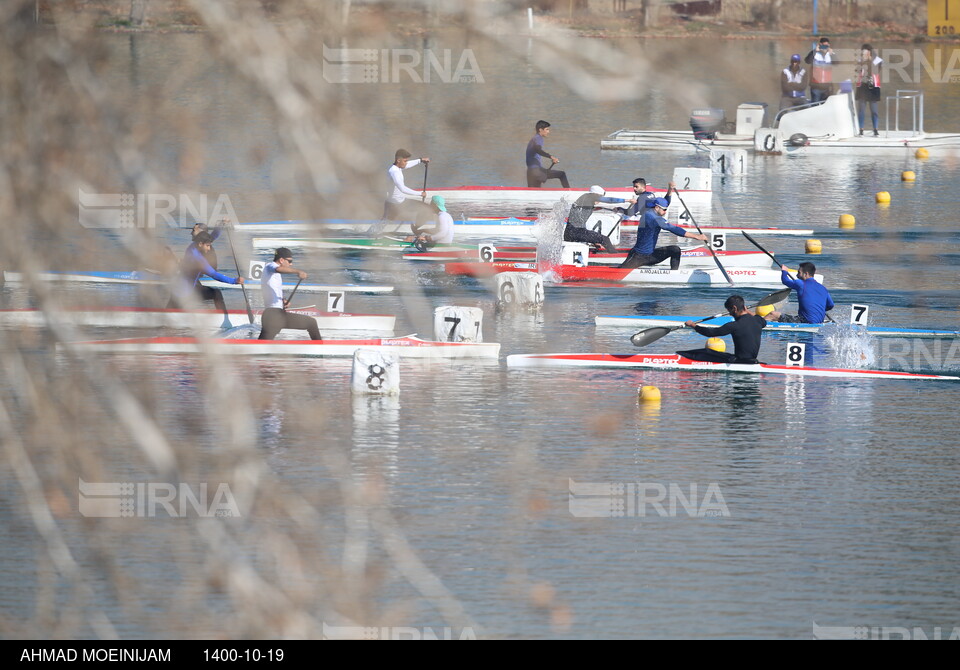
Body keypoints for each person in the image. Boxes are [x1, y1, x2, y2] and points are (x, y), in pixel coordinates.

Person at [167, 231, 244, 321]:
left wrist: (221, 225)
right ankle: (225, 320)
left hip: (178, 289)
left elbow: (211, 237)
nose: (209, 248)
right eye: (207, 246)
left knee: (166, 313)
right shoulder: (198, 260)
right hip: (185, 295)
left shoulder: (192, 247)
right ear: (200, 244)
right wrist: (234, 281)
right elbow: (214, 274)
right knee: (216, 293)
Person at [619, 198, 707, 270]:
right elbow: (672, 228)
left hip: (650, 255)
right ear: (657, 208)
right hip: (638, 256)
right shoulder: (652, 217)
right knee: (620, 271)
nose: (665, 212)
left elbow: (665, 201)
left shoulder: (651, 212)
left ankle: (674, 275)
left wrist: (669, 190)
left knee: (675, 250)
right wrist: (696, 236)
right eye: (664, 210)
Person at [679, 295, 767, 364]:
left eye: (729, 311)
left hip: (740, 361)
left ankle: (678, 356)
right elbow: (763, 321)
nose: (730, 314)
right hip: (751, 359)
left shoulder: (735, 325)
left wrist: (693, 325)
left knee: (704, 352)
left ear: (734, 308)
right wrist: (747, 311)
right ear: (744, 307)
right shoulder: (758, 321)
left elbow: (710, 333)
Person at [258, 247, 321, 341]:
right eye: (290, 261)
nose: (291, 264)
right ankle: (320, 349)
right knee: (311, 323)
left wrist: (283, 301)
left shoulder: (273, 275)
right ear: (281, 260)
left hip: (272, 315)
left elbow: (272, 290)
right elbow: (278, 269)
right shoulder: (270, 266)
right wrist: (298, 271)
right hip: (274, 315)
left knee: (261, 346)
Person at [564, 185, 632, 253]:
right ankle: (616, 258)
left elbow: (581, 224)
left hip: (570, 233)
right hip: (575, 232)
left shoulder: (584, 200)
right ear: (595, 194)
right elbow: (610, 200)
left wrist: (594, 241)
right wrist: (628, 200)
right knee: (605, 239)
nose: (600, 200)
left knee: (598, 239)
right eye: (600, 197)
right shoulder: (590, 197)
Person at [768, 262, 835, 324]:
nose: (797, 275)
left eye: (799, 272)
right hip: (818, 322)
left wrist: (784, 271)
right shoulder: (823, 288)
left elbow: (785, 280)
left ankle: (758, 327)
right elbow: (830, 305)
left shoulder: (801, 284)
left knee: (772, 314)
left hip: (804, 321)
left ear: (806, 274)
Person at [383, 149, 430, 223]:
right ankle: (417, 227)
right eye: (405, 161)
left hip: (393, 202)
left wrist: (420, 160)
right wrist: (420, 194)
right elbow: (402, 189)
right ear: (398, 160)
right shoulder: (394, 172)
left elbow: (408, 165)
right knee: (425, 207)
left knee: (384, 222)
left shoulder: (396, 167)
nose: (406, 163)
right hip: (397, 204)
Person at [525, 120, 569, 188]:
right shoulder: (538, 138)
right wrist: (551, 157)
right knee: (562, 174)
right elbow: (538, 149)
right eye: (547, 129)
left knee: (533, 193)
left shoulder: (533, 139)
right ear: (540, 130)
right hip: (537, 171)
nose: (548, 132)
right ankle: (569, 193)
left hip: (530, 172)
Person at [855, 43, 882, 136]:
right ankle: (861, 129)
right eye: (863, 52)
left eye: (866, 51)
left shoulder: (877, 60)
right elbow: (858, 70)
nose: (864, 53)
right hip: (862, 86)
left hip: (873, 87)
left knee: (874, 109)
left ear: (870, 52)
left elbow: (877, 70)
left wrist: (871, 60)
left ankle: (875, 129)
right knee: (861, 109)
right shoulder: (860, 60)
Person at [804, 37, 835, 103]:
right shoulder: (815, 54)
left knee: (826, 108)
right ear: (820, 45)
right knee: (815, 106)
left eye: (826, 46)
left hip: (826, 88)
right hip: (816, 87)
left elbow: (837, 63)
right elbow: (807, 61)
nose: (825, 48)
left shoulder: (830, 55)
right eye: (823, 46)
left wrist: (832, 54)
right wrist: (815, 50)